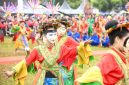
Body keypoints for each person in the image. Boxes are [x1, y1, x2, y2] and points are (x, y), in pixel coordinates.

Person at [5, 21, 93, 85]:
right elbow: (26, 62)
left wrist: (83, 45)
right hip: (43, 79)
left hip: (57, 80)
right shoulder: (38, 49)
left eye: (55, 35)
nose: (53, 37)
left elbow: (73, 51)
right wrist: (12, 72)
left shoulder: (61, 48)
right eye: (51, 35)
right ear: (44, 37)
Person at [76, 20, 129, 85]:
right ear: (117, 39)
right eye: (127, 39)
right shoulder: (109, 58)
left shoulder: (124, 54)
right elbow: (91, 77)